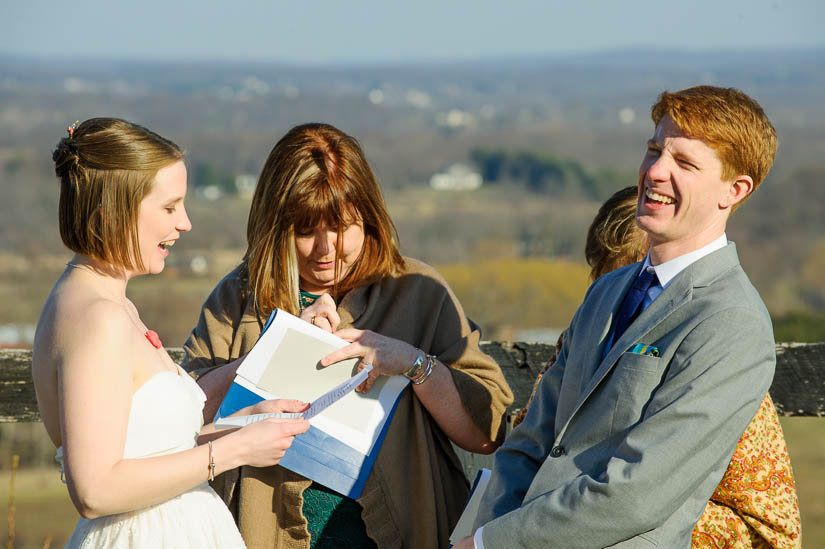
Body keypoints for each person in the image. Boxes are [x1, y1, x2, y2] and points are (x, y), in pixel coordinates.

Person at [457, 85, 783, 548]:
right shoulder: (609, 290)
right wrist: (488, 533)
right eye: (655, 150)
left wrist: (496, 544)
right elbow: (532, 440)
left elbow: (636, 495)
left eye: (685, 164)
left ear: (735, 190)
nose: (656, 172)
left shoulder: (731, 323)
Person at [181, 122, 514, 548]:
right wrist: (280, 347)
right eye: (304, 230)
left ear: (369, 217)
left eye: (341, 226)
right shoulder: (237, 297)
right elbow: (183, 417)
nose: (325, 248)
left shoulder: (418, 290)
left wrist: (415, 364)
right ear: (272, 225)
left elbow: (486, 434)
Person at [31, 118, 310, 548]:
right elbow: (95, 490)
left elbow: (149, 447)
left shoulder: (107, 303)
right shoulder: (98, 318)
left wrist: (247, 425)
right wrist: (234, 453)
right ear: (114, 209)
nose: (184, 223)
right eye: (169, 207)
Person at [516, 185, 801, 547]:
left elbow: (772, 527)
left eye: (640, 282)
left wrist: (635, 520)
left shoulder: (713, 357)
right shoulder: (588, 330)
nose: (626, 301)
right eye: (602, 276)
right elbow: (534, 445)